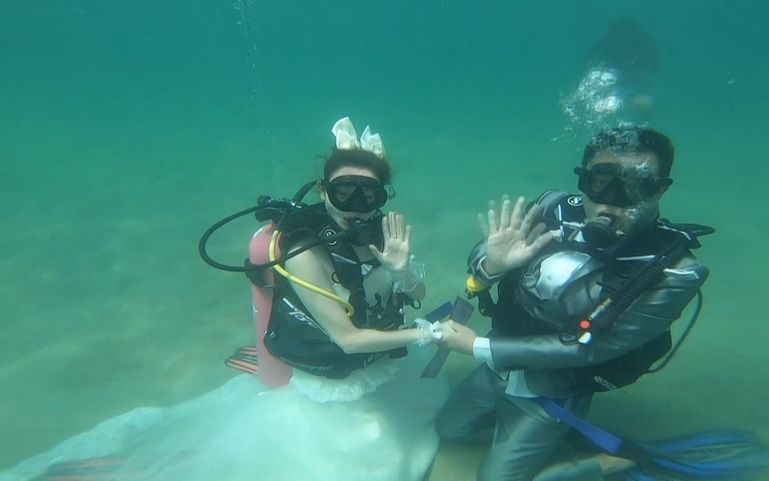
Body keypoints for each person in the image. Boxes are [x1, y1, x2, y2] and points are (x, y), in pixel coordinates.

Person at [0, 117, 448, 481]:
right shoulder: (301, 249)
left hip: (377, 367)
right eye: (343, 191)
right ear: (322, 189)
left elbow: (414, 293)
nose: (355, 204)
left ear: (381, 199)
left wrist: (400, 270)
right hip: (334, 374)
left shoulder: (383, 236)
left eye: (367, 194)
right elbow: (348, 339)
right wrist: (430, 332)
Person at [436, 126, 710, 481]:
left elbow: (592, 350)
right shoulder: (553, 206)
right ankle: (538, 435)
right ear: (584, 179)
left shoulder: (674, 270)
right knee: (448, 430)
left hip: (554, 390)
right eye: (601, 182)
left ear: (660, 189)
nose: (611, 201)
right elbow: (485, 256)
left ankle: (599, 463)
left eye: (635, 186)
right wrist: (493, 266)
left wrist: (477, 346)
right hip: (498, 368)